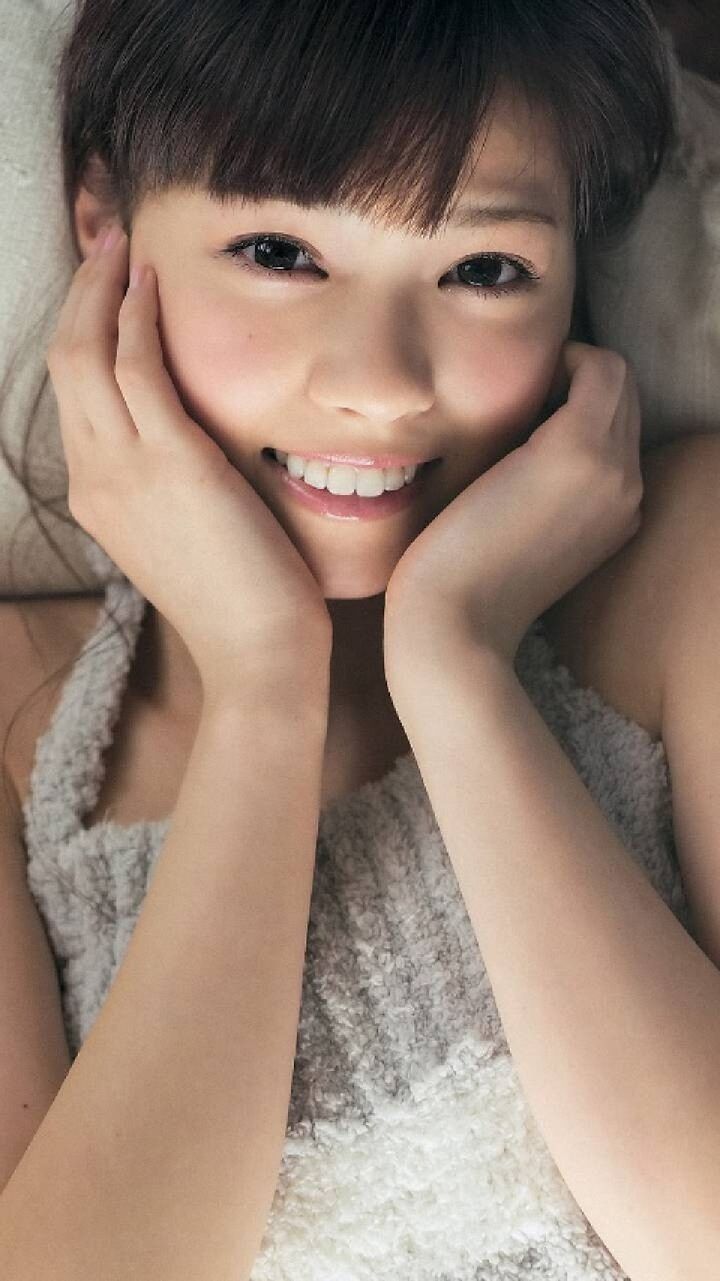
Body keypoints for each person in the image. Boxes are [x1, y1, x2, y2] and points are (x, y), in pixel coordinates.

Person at [0, 2, 718, 1278]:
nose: (381, 383)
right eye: (279, 251)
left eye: (485, 271)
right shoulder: (16, 712)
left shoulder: (687, 566)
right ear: (106, 230)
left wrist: (458, 665)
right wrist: (263, 684)